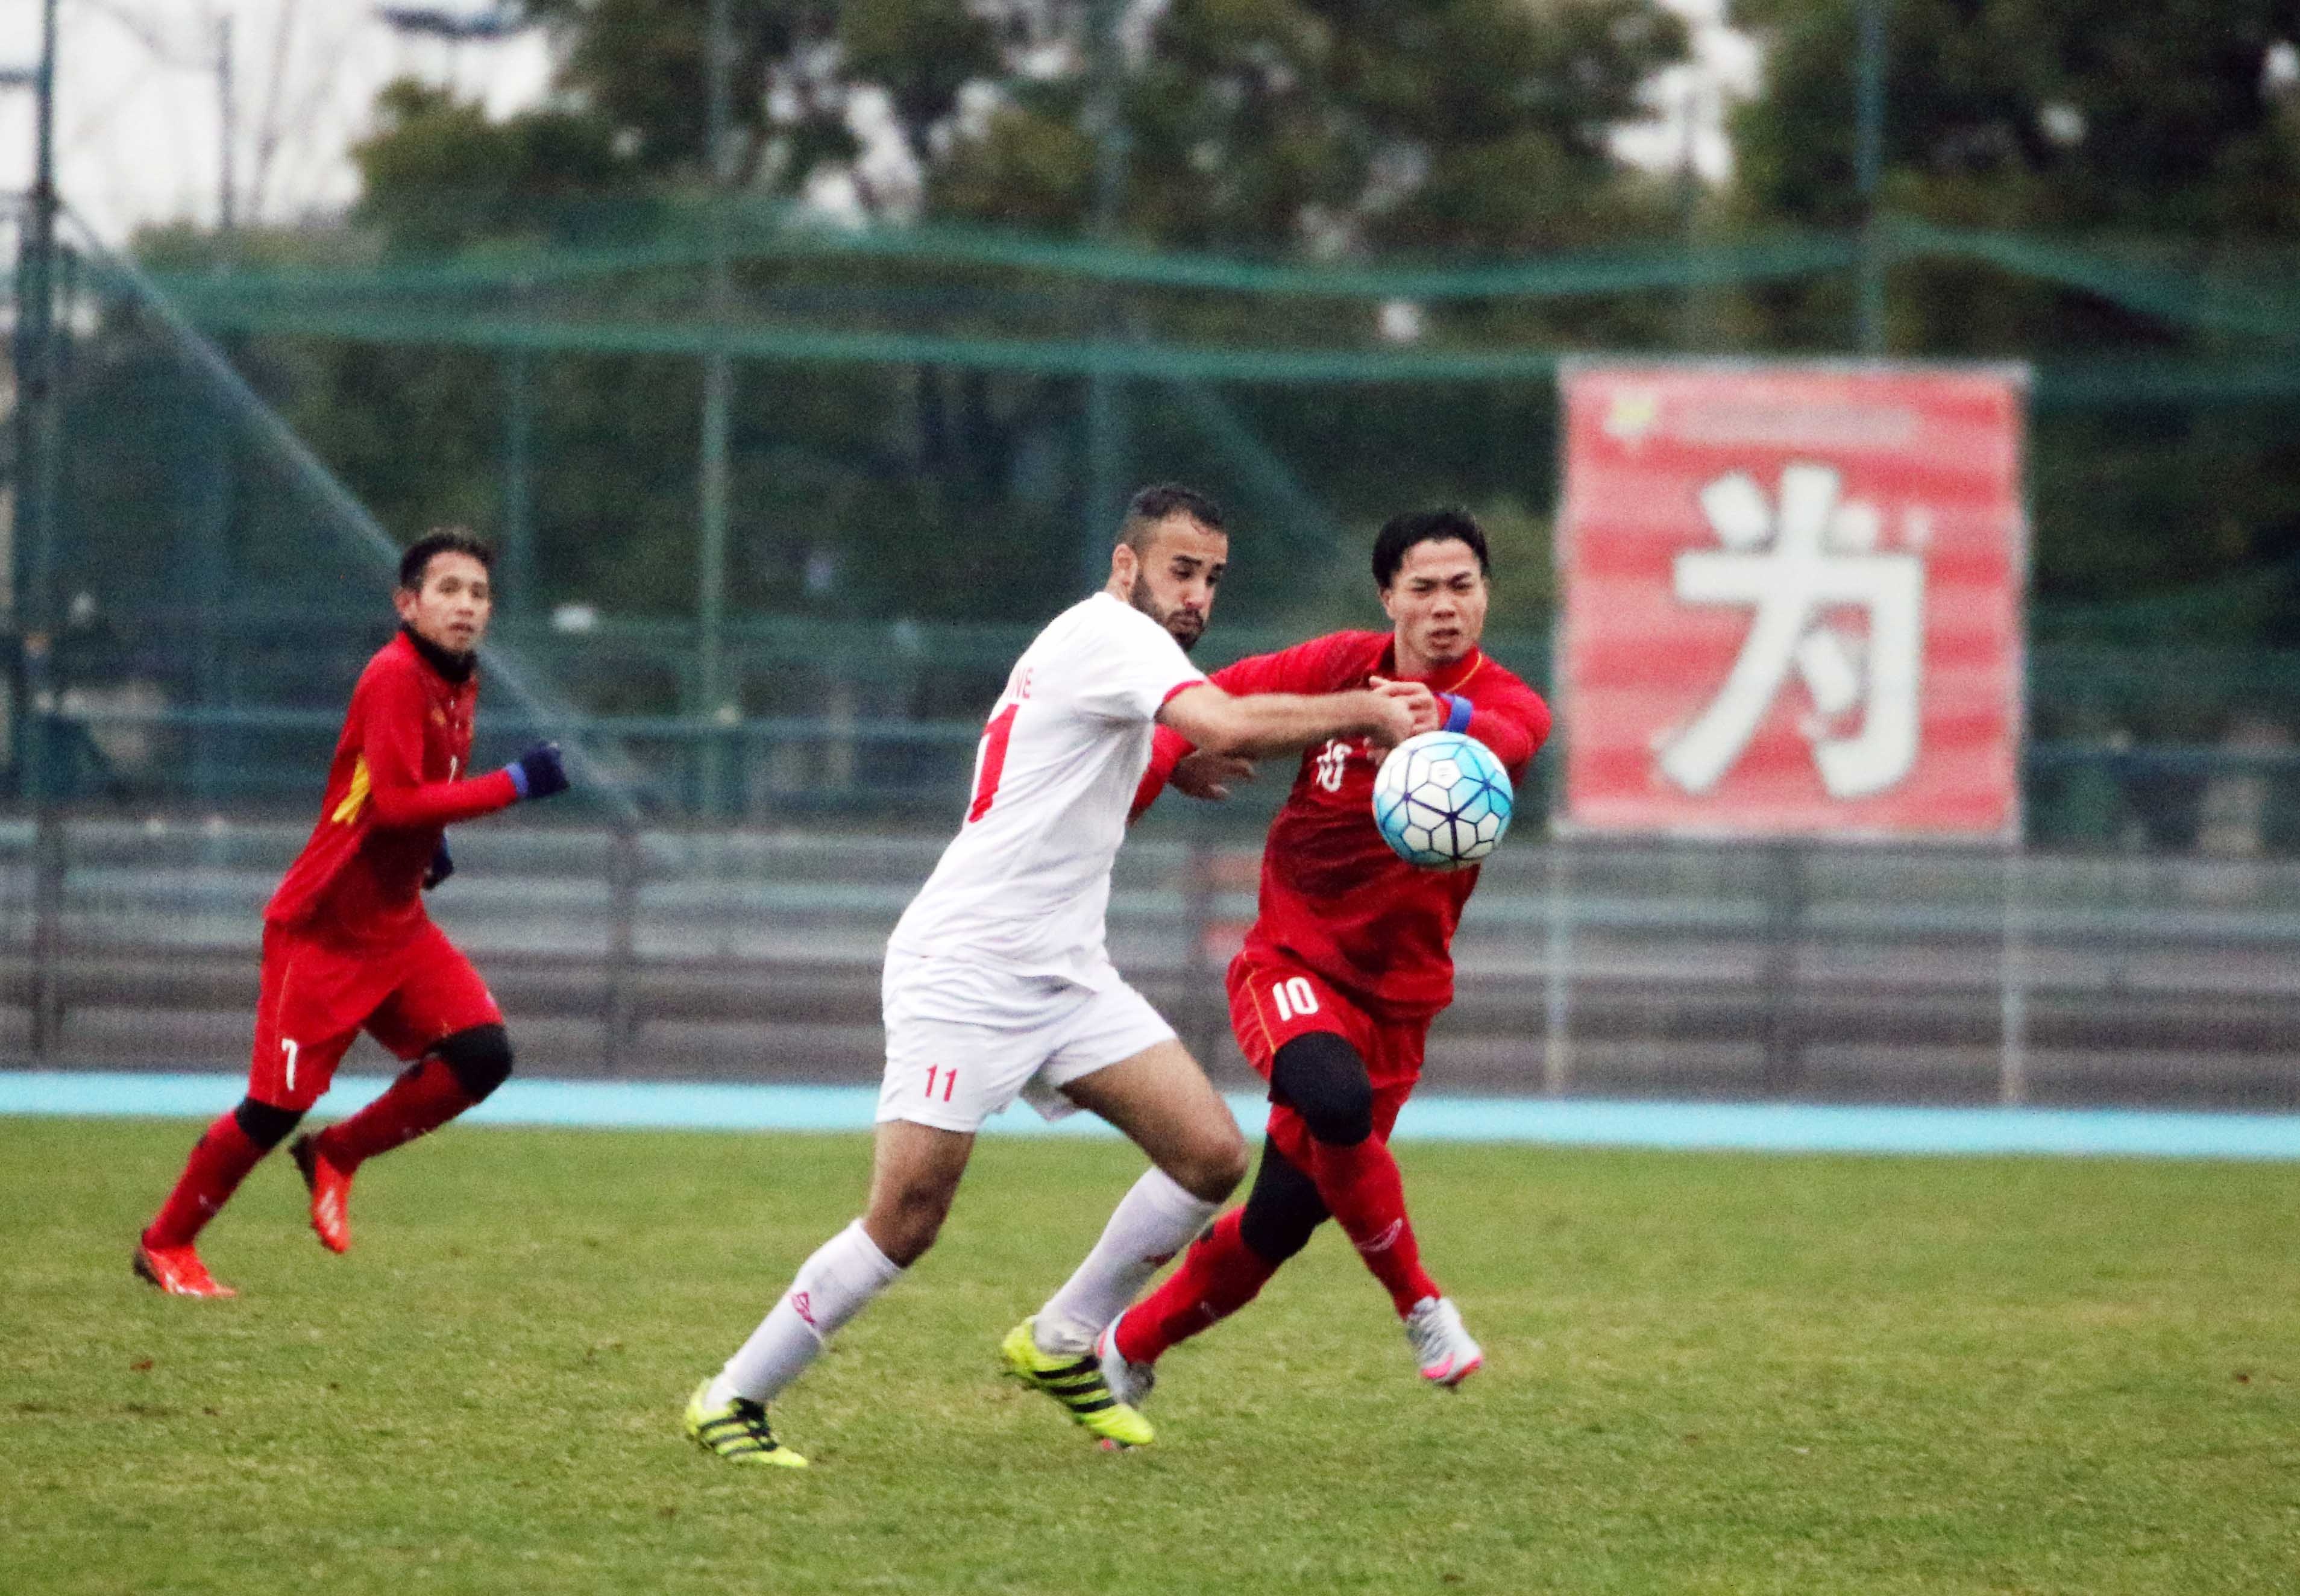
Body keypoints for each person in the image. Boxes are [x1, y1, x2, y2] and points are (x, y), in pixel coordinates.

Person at [681, 484, 1427, 1467]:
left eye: (1211, 577)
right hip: (968, 967)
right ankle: (733, 1395)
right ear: (1126, 568)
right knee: (908, 1217)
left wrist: (1173, 756)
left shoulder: (1122, 658)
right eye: (1180, 569)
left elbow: (1142, 737)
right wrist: (1365, 709)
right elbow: (1231, 722)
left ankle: (1062, 1336)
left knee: (1207, 1151)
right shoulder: (1112, 637)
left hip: (1065, 974)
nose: (1199, 594)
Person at [1083, 507, 1551, 1410]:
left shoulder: (1509, 704)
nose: (1445, 607)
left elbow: (1504, 741)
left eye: (1463, 586)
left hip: (1402, 1000)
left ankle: (1125, 1350)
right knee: (1332, 1102)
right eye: (1423, 588)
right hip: (1289, 963)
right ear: (1389, 598)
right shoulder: (1339, 668)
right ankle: (1421, 1305)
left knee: (1282, 1220)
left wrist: (1433, 717)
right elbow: (1206, 705)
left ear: (1485, 596)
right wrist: (1155, 776)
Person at [133, 529, 572, 1298]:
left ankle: (337, 1151)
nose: (466, 605)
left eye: (478, 593)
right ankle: (166, 1243)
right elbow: (399, 799)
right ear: (407, 604)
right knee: (274, 1107)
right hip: (326, 926)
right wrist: (515, 783)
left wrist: (426, 851)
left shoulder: (457, 677)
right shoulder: (395, 673)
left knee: (483, 1057)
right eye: (448, 590)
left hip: (395, 922)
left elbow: (383, 789)